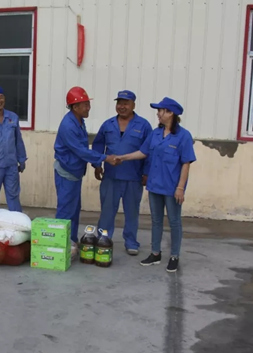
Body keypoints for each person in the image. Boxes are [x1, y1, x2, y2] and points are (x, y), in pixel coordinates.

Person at [117, 97, 196, 272]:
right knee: (156, 220)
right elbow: (142, 152)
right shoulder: (155, 134)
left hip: (172, 188)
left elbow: (186, 163)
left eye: (161, 111)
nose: (158, 114)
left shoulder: (183, 136)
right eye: (158, 111)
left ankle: (174, 256)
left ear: (170, 113)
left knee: (174, 222)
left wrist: (180, 188)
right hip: (155, 185)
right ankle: (155, 253)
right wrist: (123, 157)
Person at [54, 86, 119, 245]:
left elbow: (83, 148)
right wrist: (105, 158)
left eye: (88, 104)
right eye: (85, 104)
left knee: (74, 209)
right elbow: (81, 151)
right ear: (75, 107)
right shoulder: (68, 125)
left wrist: (97, 164)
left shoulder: (79, 121)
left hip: (75, 172)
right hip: (67, 172)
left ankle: (71, 240)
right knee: (66, 211)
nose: (88, 107)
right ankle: (61, 244)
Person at [92, 90, 153, 256]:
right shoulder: (108, 124)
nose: (122, 106)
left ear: (133, 105)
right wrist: (97, 165)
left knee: (132, 212)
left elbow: (149, 151)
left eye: (126, 103)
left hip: (133, 177)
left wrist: (146, 173)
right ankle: (103, 239)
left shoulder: (143, 125)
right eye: (119, 103)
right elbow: (98, 146)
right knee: (107, 212)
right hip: (110, 177)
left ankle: (131, 242)